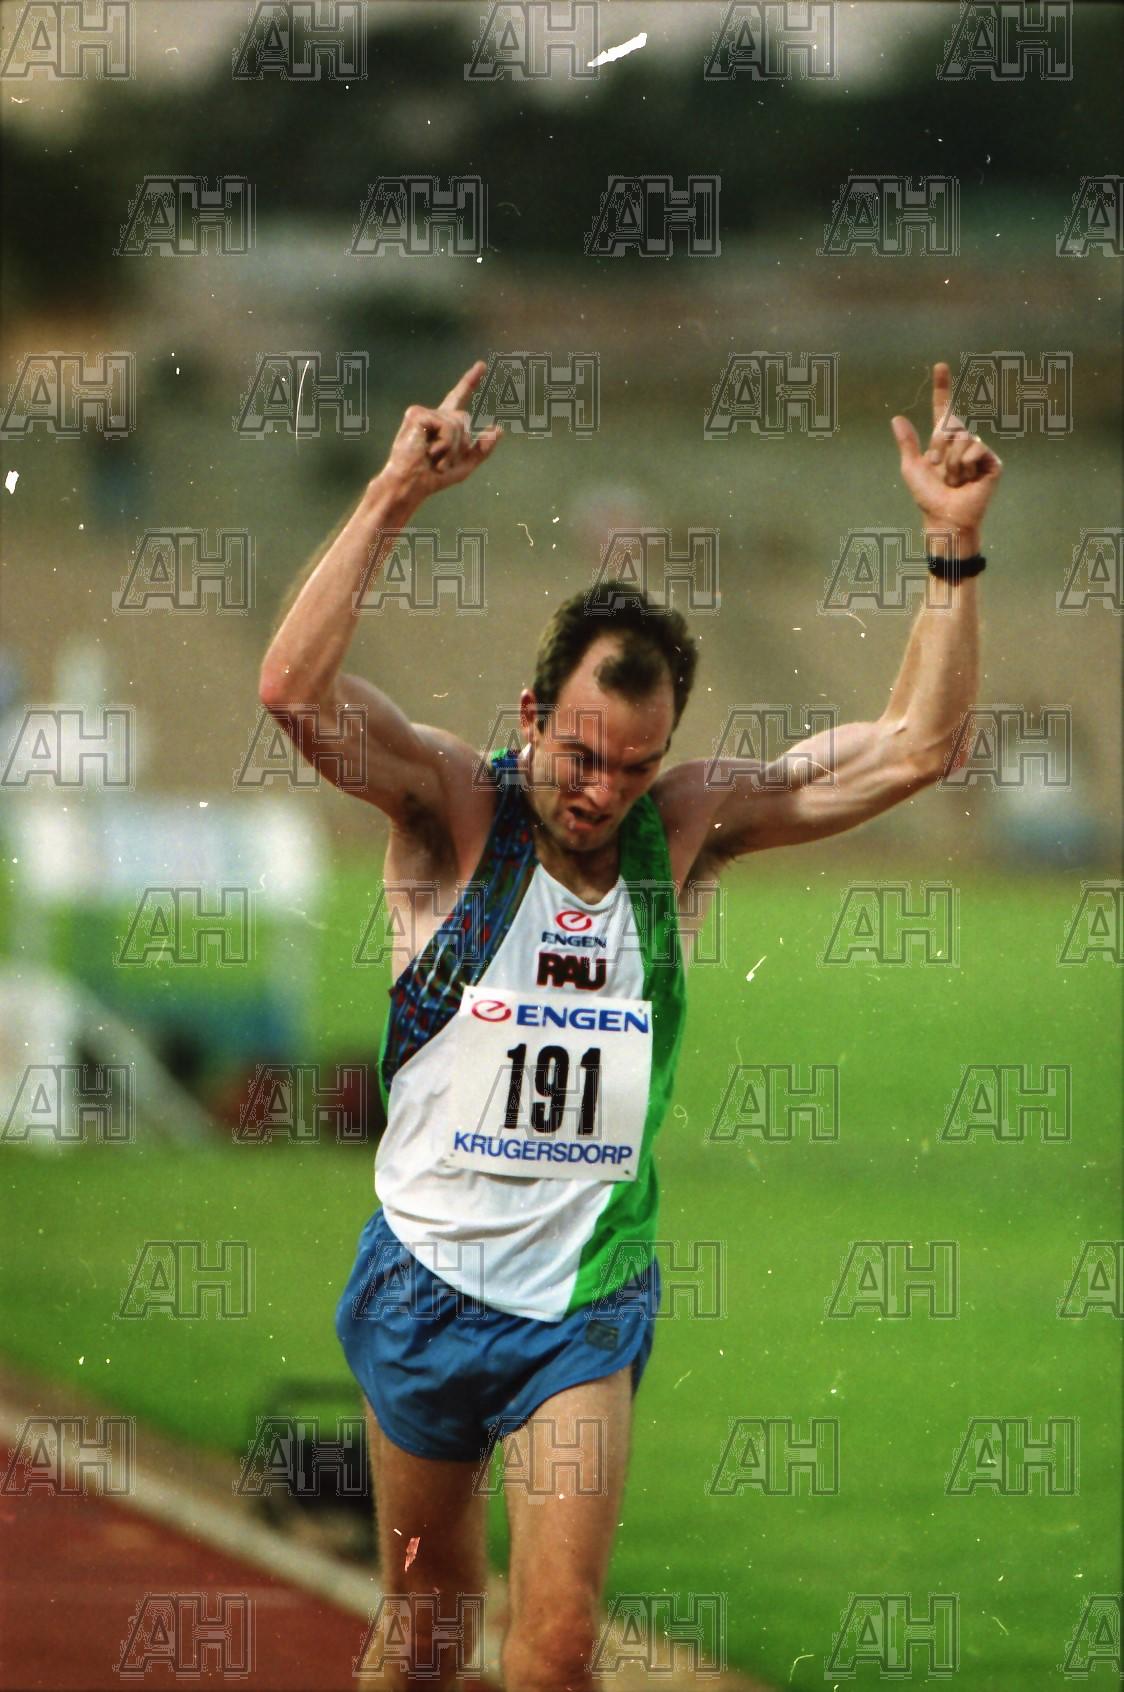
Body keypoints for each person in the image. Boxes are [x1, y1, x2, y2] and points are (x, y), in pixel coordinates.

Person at [258, 360, 1002, 1691]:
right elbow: (292, 696)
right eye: (581, 754)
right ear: (532, 717)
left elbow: (914, 747)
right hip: (424, 1278)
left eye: (635, 765)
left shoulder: (687, 828)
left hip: (585, 1303)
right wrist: (389, 500)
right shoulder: (452, 810)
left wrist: (951, 546)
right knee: (426, 1634)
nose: (602, 791)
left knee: (554, 1650)